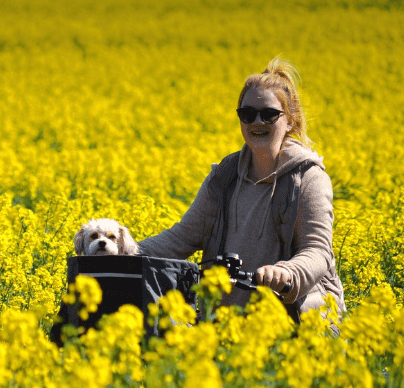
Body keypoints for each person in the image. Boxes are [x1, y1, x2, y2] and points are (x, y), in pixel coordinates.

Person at [137, 56, 346, 325]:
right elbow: (181, 238)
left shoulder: (307, 176)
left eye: (269, 114)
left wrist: (286, 272)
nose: (257, 122)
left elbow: (317, 250)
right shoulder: (225, 176)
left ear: (290, 121)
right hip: (227, 324)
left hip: (297, 324)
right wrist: (123, 252)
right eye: (247, 114)